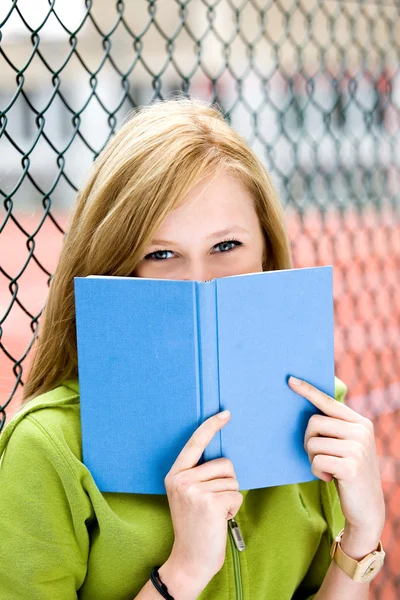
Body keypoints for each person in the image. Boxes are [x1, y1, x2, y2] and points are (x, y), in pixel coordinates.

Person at [0, 97, 385, 600]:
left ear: (266, 250)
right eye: (161, 254)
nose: (198, 281)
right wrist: (181, 572)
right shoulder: (47, 449)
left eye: (226, 246)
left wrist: (361, 536)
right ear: (116, 265)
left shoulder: (315, 417)